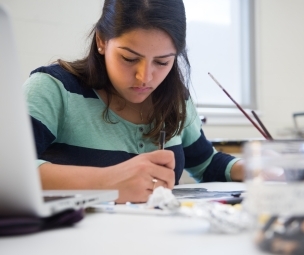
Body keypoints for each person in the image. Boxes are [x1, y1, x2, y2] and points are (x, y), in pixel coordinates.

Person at [23, 0, 244, 203]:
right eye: (129, 58)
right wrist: (105, 182)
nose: (145, 78)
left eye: (162, 62)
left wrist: (255, 168)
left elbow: (206, 164)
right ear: (101, 41)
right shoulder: (54, 89)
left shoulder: (175, 100)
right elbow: (8, 170)